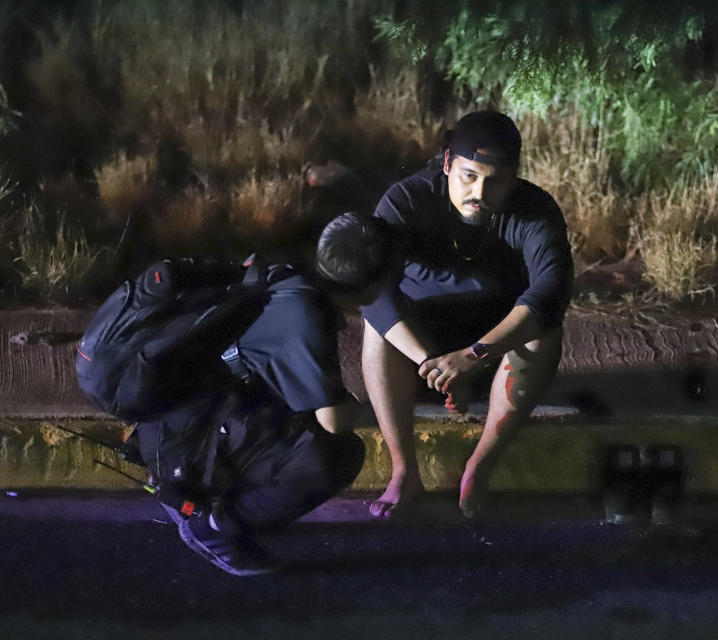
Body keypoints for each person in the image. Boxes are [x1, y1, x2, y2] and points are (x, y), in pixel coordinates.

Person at [137, 212, 390, 575]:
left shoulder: (288, 277)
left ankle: (205, 499)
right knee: (335, 454)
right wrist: (362, 405)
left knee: (301, 424)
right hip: (189, 446)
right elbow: (333, 420)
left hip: (176, 430)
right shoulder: (308, 314)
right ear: (371, 284)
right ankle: (212, 526)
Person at [361, 111, 574, 519]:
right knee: (376, 326)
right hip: (421, 347)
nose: (480, 191)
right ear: (447, 164)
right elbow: (373, 289)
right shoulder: (408, 199)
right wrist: (432, 363)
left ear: (513, 176)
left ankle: (478, 469)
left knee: (544, 331)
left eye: (495, 181)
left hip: (493, 344)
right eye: (469, 176)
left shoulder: (534, 209)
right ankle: (404, 472)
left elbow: (551, 292)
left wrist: (473, 357)